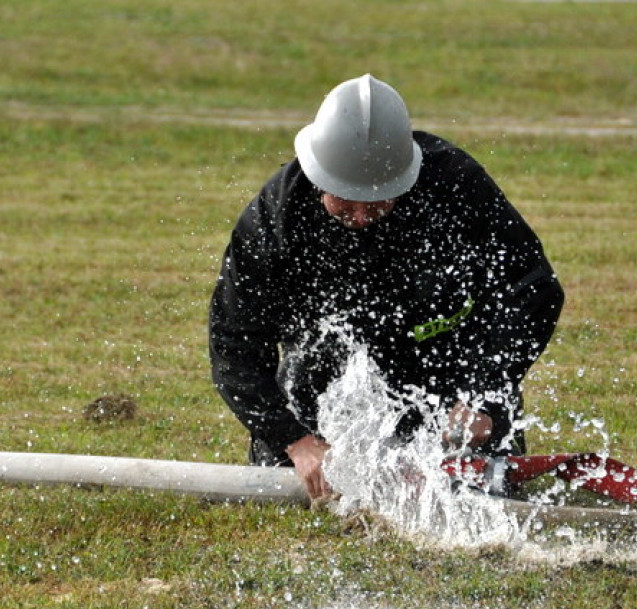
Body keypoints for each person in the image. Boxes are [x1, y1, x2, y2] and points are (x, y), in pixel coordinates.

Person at [209, 74, 564, 500]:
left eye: (377, 202)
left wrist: (484, 396)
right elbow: (234, 341)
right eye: (345, 204)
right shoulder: (275, 218)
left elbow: (533, 290)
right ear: (319, 180)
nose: (361, 217)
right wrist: (293, 439)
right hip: (324, 382)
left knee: (479, 493)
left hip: (446, 374)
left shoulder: (454, 185)